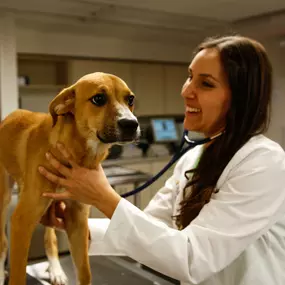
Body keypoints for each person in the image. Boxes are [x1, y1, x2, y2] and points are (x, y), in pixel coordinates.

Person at [38, 35, 285, 285]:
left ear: (240, 99)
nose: (186, 91)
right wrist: (77, 227)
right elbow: (153, 229)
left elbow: (193, 259)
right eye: (190, 77)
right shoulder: (192, 159)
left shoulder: (264, 163)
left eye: (206, 84)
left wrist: (103, 196)